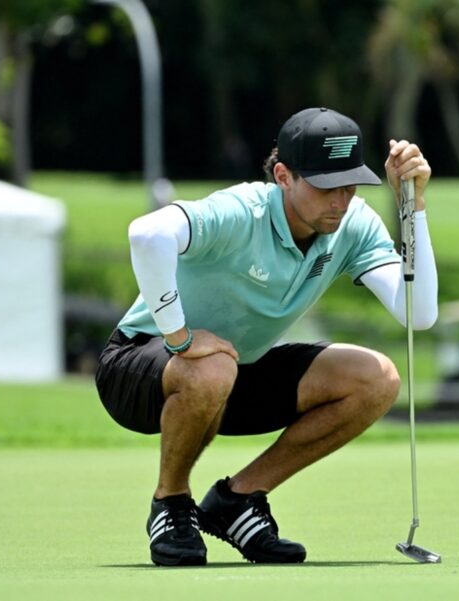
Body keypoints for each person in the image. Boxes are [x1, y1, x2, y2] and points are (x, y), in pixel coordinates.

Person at [95, 107, 438, 567]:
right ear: (283, 175)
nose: (341, 199)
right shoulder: (242, 211)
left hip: (235, 371)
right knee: (213, 366)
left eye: (350, 184)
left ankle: (237, 500)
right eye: (325, 185)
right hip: (136, 365)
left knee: (377, 378)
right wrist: (178, 338)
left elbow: (418, 313)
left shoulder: (352, 225)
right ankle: (171, 503)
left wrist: (411, 209)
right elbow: (147, 234)